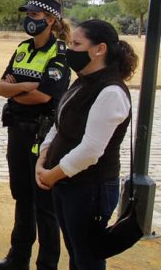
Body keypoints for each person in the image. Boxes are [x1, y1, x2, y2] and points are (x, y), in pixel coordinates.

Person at [36, 19, 138, 270]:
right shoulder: (83, 80)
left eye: (77, 44)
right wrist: (43, 154)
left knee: (88, 258)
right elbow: (60, 123)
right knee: (76, 251)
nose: (71, 49)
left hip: (90, 188)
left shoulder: (110, 91)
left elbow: (91, 150)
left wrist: (52, 175)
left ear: (99, 49)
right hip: (67, 183)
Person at [0, 0, 71, 270]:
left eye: (35, 15)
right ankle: (18, 258)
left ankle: (46, 264)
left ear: (50, 20)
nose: (30, 20)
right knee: (22, 196)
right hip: (17, 131)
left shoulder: (60, 53)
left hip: (43, 134)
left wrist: (16, 91)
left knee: (44, 203)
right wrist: (23, 89)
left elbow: (45, 97)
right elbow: (1, 87)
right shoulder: (23, 48)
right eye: (28, 15)